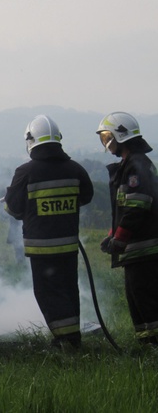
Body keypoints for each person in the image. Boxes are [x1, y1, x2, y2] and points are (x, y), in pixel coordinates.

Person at [4, 115, 93, 349]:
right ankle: (73, 337)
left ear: (31, 140)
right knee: (68, 290)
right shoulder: (76, 169)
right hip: (69, 246)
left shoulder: (25, 172)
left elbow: (13, 208)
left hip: (41, 248)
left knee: (48, 294)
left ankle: (67, 341)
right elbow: (86, 197)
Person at [96, 111, 158, 346]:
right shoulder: (129, 164)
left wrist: (119, 239)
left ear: (120, 136)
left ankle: (154, 348)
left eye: (107, 137)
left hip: (145, 249)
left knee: (147, 300)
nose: (106, 142)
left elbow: (137, 207)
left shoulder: (137, 165)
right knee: (136, 300)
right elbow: (125, 208)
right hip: (135, 250)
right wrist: (112, 235)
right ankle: (146, 346)